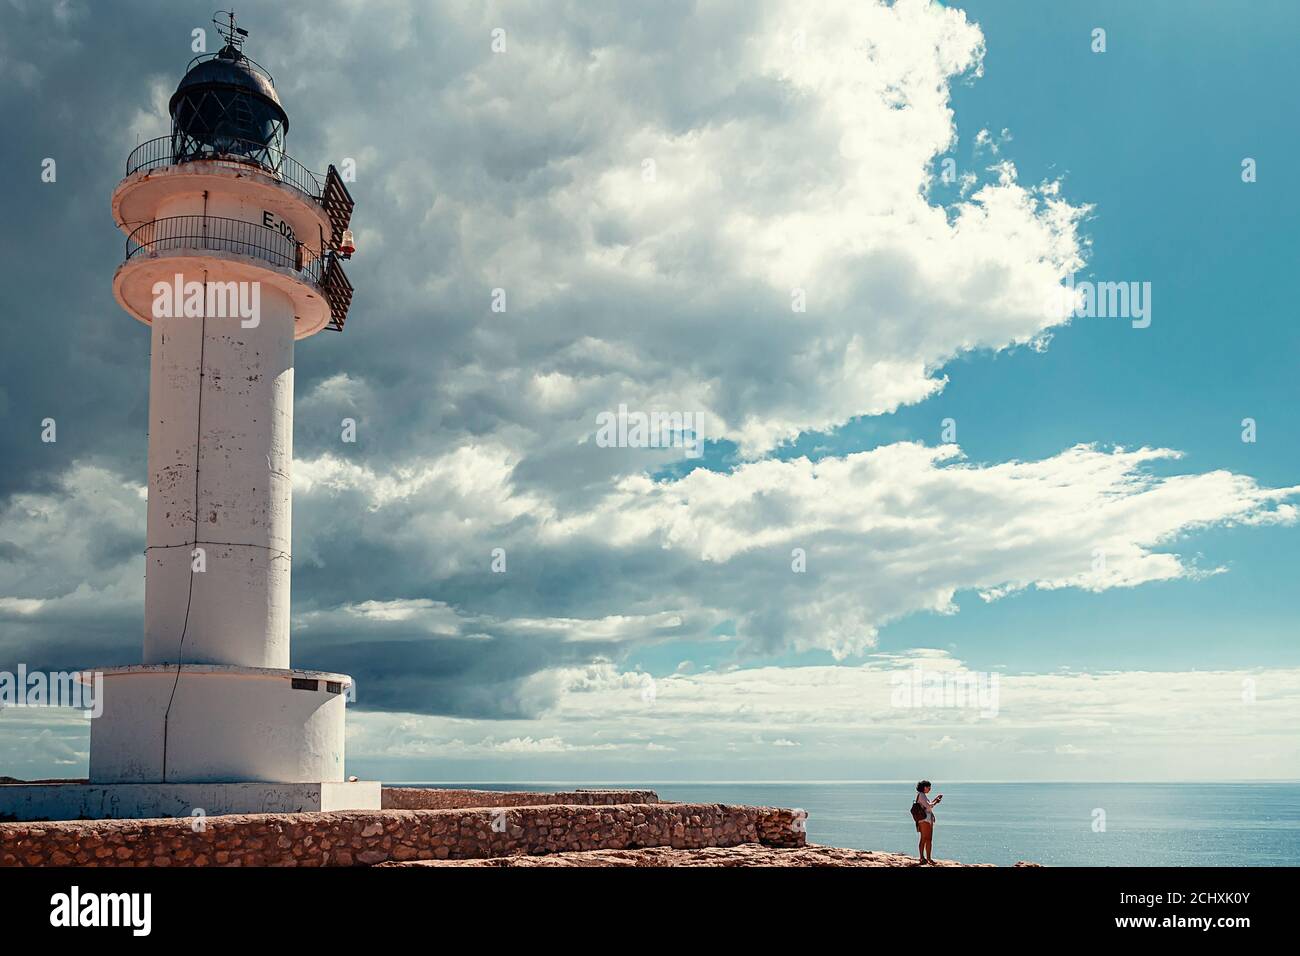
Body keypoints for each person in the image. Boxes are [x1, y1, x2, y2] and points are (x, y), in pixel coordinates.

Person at [914, 780, 942, 864]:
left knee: (929, 839)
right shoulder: (921, 795)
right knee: (924, 838)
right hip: (924, 820)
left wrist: (935, 800)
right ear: (924, 787)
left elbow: (928, 806)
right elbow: (929, 806)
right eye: (929, 787)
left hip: (927, 819)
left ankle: (928, 858)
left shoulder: (923, 796)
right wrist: (936, 801)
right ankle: (922, 857)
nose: (930, 789)